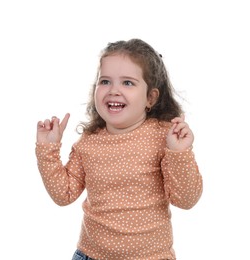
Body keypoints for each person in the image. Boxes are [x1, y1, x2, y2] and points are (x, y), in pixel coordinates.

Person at [35, 38, 203, 260]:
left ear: (150, 98)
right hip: (91, 255)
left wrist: (180, 154)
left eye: (128, 83)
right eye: (104, 81)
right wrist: (47, 149)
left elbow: (186, 200)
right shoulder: (89, 141)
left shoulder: (164, 137)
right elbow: (64, 194)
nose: (113, 90)